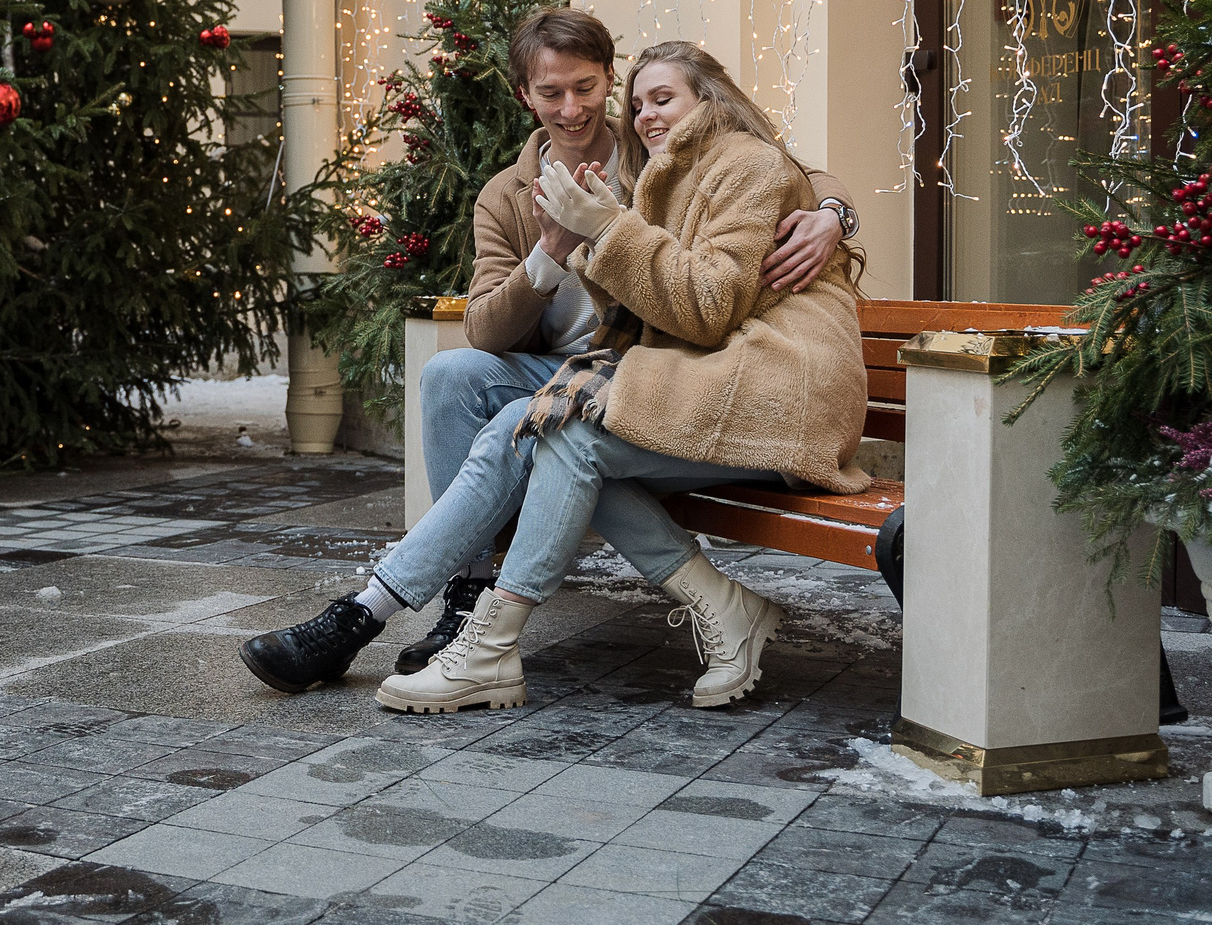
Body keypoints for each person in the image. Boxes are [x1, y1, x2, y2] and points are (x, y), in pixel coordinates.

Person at [243, 36, 866, 709]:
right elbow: (485, 326)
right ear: (526, 97)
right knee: (460, 377)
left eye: (589, 88)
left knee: (544, 425)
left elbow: (780, 172)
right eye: (552, 92)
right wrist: (549, 252)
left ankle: (392, 617)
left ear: (605, 83)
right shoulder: (508, 193)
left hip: (678, 367)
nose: (573, 107)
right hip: (603, 366)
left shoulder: (653, 152)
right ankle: (469, 594)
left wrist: (834, 213)